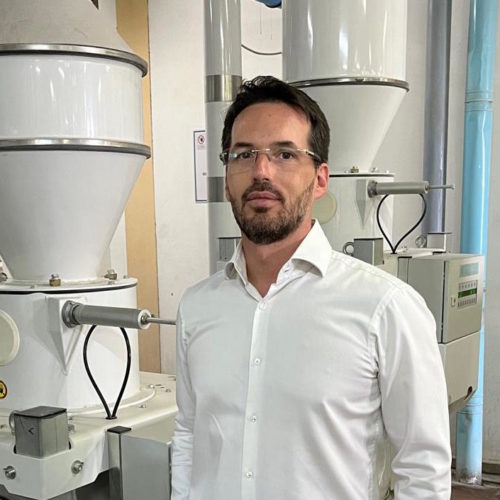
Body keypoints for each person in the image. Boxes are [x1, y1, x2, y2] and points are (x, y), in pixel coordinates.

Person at [171, 75, 451, 500]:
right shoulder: (197, 307)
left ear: (320, 179)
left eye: (284, 154)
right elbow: (189, 433)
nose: (261, 171)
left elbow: (422, 467)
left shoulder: (386, 308)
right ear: (226, 177)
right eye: (244, 154)